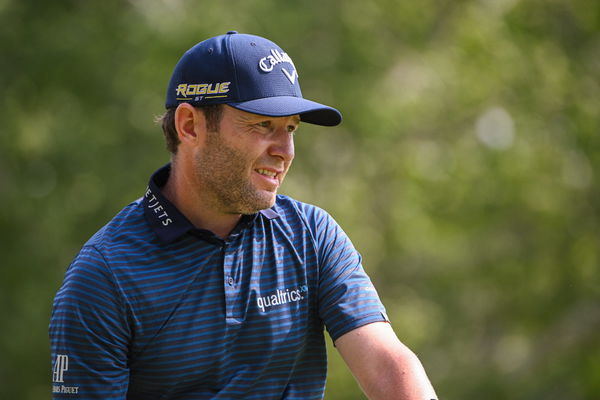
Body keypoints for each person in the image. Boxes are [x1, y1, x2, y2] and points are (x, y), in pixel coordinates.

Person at [49, 31, 438, 400]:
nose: (285, 150)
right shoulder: (105, 275)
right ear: (189, 126)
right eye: (263, 125)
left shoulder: (311, 235)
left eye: (291, 129)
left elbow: (389, 368)